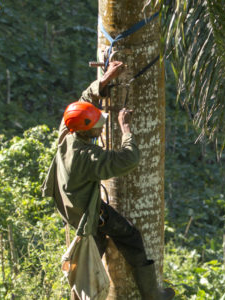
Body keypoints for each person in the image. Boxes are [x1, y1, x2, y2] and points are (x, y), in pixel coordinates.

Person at [41, 61, 175, 300]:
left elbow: (84, 101)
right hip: (88, 214)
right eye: (97, 126)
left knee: (91, 261)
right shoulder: (87, 157)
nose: (100, 127)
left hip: (73, 206)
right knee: (130, 238)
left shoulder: (67, 132)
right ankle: (153, 295)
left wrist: (104, 80)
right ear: (87, 132)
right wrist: (125, 130)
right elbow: (128, 159)